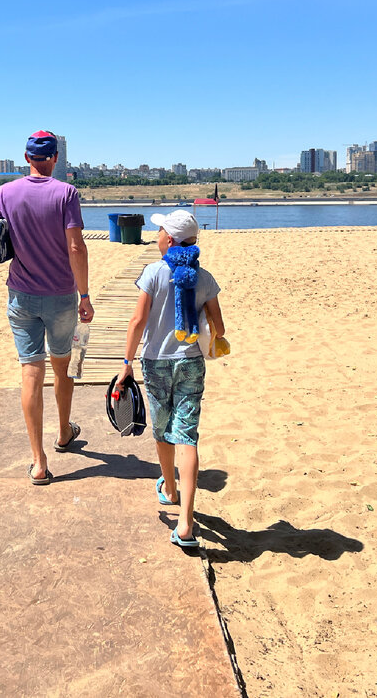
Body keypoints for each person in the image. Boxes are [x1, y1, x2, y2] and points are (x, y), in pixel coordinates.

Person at [0, 130, 93, 485]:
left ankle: (38, 461)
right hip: (60, 296)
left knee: (31, 372)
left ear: (26, 158)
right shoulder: (66, 193)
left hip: (22, 295)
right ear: (55, 158)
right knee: (63, 368)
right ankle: (63, 433)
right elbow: (76, 248)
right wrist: (85, 295)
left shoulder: (6, 192)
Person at [114, 210, 224, 547]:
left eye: (160, 230)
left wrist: (126, 362)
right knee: (187, 435)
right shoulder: (203, 277)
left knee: (163, 430)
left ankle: (170, 488)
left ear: (171, 240)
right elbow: (219, 328)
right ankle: (187, 523)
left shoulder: (153, 273)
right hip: (191, 362)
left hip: (157, 362)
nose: (156, 235)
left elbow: (137, 321)